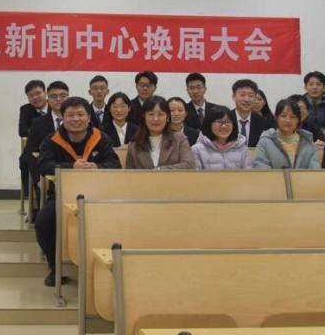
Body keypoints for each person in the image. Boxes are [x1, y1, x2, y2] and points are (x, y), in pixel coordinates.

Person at [34, 96, 120, 286]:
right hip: (62, 195)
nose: (75, 119)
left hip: (99, 194)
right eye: (70, 115)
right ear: (62, 118)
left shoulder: (101, 138)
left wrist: (97, 167)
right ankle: (56, 268)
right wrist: (71, 166)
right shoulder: (52, 140)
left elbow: (115, 164)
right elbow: (44, 165)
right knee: (43, 223)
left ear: (89, 117)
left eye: (80, 114)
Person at [126, 96, 195, 169]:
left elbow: (189, 165)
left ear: (167, 118)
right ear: (144, 117)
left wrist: (160, 170)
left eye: (160, 114)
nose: (155, 119)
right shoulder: (134, 145)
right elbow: (129, 173)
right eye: (151, 114)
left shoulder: (179, 139)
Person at [253, 96, 320, 170]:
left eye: (293, 117)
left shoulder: (308, 142)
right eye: (283, 116)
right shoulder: (265, 141)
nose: (288, 120)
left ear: (298, 120)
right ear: (276, 117)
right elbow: (261, 167)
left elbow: (314, 170)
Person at [18, 79, 48, 198]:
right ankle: (34, 195)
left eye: (38, 93)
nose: (35, 97)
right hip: (34, 147)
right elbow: (22, 131)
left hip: (53, 147)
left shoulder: (55, 107)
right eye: (31, 95)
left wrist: (35, 131)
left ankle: (47, 192)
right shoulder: (26, 109)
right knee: (25, 160)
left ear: (45, 93)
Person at [229, 79, 272, 147]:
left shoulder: (263, 122)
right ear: (234, 97)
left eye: (251, 95)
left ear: (255, 98)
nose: (246, 99)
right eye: (242, 95)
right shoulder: (226, 119)